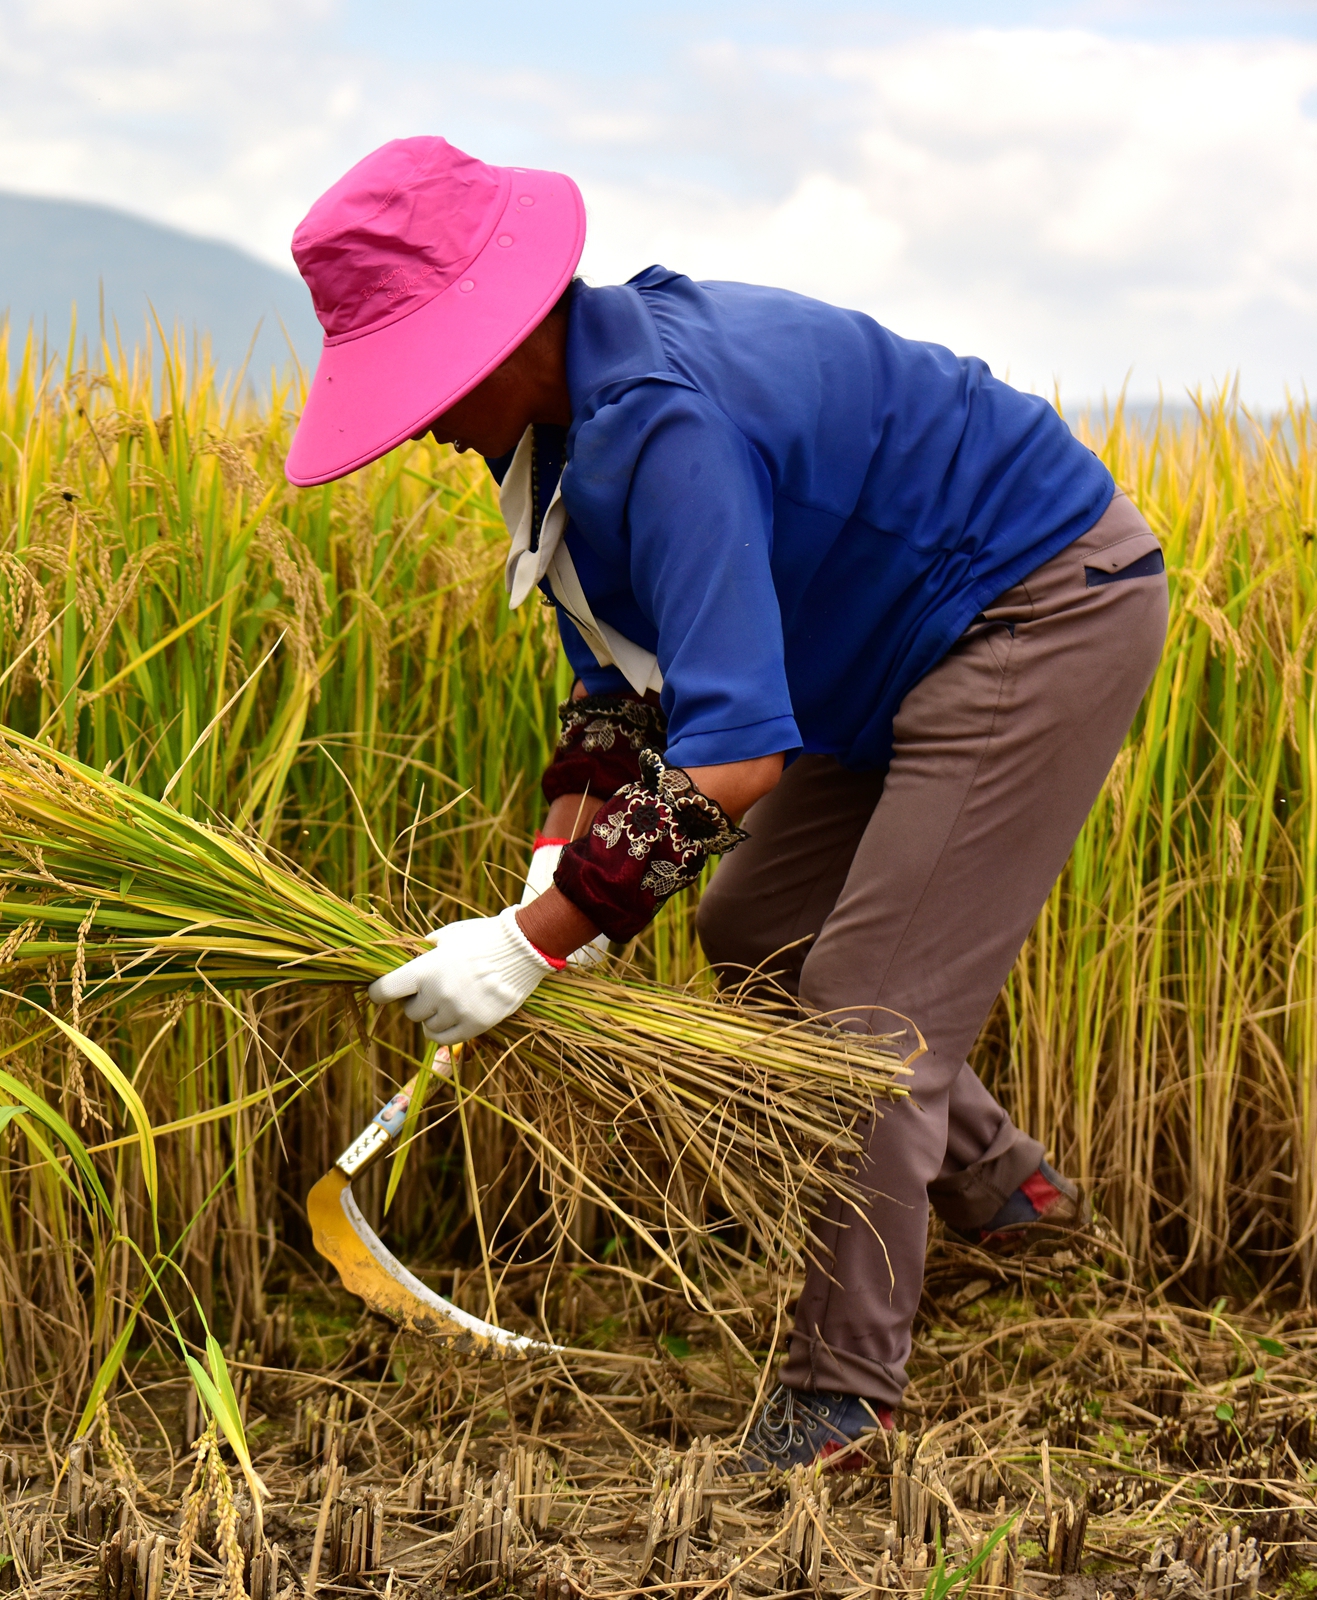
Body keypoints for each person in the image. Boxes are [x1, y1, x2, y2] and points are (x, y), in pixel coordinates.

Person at [287, 136, 1168, 1470]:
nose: (415, 420)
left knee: (864, 1016)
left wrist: (533, 948)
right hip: (867, 654)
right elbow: (620, 696)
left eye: (423, 380)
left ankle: (837, 1397)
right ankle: (1012, 1198)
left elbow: (734, 761)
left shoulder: (664, 422)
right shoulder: (550, 438)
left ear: (505, 332)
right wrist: (554, 866)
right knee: (750, 924)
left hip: (1026, 613)